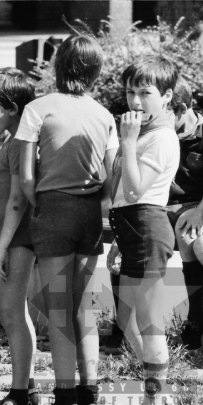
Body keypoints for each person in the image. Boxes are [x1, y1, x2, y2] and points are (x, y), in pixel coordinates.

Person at [17, 34, 119, 405]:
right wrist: (94, 201)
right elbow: (112, 179)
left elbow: (26, 177)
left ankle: (64, 391)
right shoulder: (104, 115)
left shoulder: (37, 108)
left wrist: (42, 203)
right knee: (84, 306)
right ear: (95, 71)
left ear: (58, 65)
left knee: (58, 306)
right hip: (90, 212)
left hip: (53, 210)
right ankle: (90, 387)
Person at [107, 55, 179, 405]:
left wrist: (128, 141)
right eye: (130, 91)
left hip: (148, 230)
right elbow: (124, 195)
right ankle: (155, 387)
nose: (135, 101)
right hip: (133, 230)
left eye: (145, 92)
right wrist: (119, 241)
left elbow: (137, 190)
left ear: (166, 96)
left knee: (148, 323)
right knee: (128, 321)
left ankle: (157, 396)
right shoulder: (146, 133)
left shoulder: (160, 137)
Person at [0, 67, 40, 405]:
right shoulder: (14, 142)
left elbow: (16, 200)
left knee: (12, 313)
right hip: (8, 236)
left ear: (12, 108)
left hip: (15, 237)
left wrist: (2, 246)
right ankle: (24, 388)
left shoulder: (20, 144)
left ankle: (22, 391)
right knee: (13, 312)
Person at [166, 76, 203, 351]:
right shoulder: (159, 134)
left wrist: (200, 210)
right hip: (166, 207)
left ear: (181, 109)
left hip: (196, 205)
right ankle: (121, 330)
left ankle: (195, 321)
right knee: (133, 237)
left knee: (192, 237)